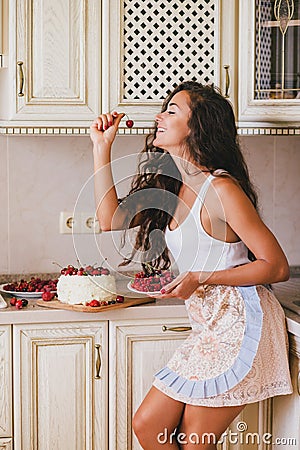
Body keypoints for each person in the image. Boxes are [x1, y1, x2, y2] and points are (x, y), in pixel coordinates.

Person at [90, 81, 292, 449]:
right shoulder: (173, 186)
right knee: (149, 426)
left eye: (171, 110)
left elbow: (275, 266)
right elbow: (109, 220)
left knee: (195, 442)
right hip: (208, 326)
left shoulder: (221, 189)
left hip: (241, 324)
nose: (159, 116)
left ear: (197, 127)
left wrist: (200, 277)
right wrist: (102, 148)